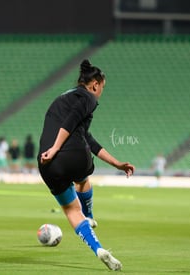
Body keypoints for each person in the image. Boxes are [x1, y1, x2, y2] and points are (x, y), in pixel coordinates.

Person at [38, 59, 135, 271]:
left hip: (46, 165)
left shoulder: (63, 97)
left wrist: (116, 163)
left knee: (72, 212)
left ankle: (98, 248)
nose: (100, 92)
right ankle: (89, 217)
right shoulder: (87, 97)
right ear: (95, 84)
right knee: (81, 177)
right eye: (102, 88)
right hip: (69, 154)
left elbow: (87, 139)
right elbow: (72, 120)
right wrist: (56, 148)